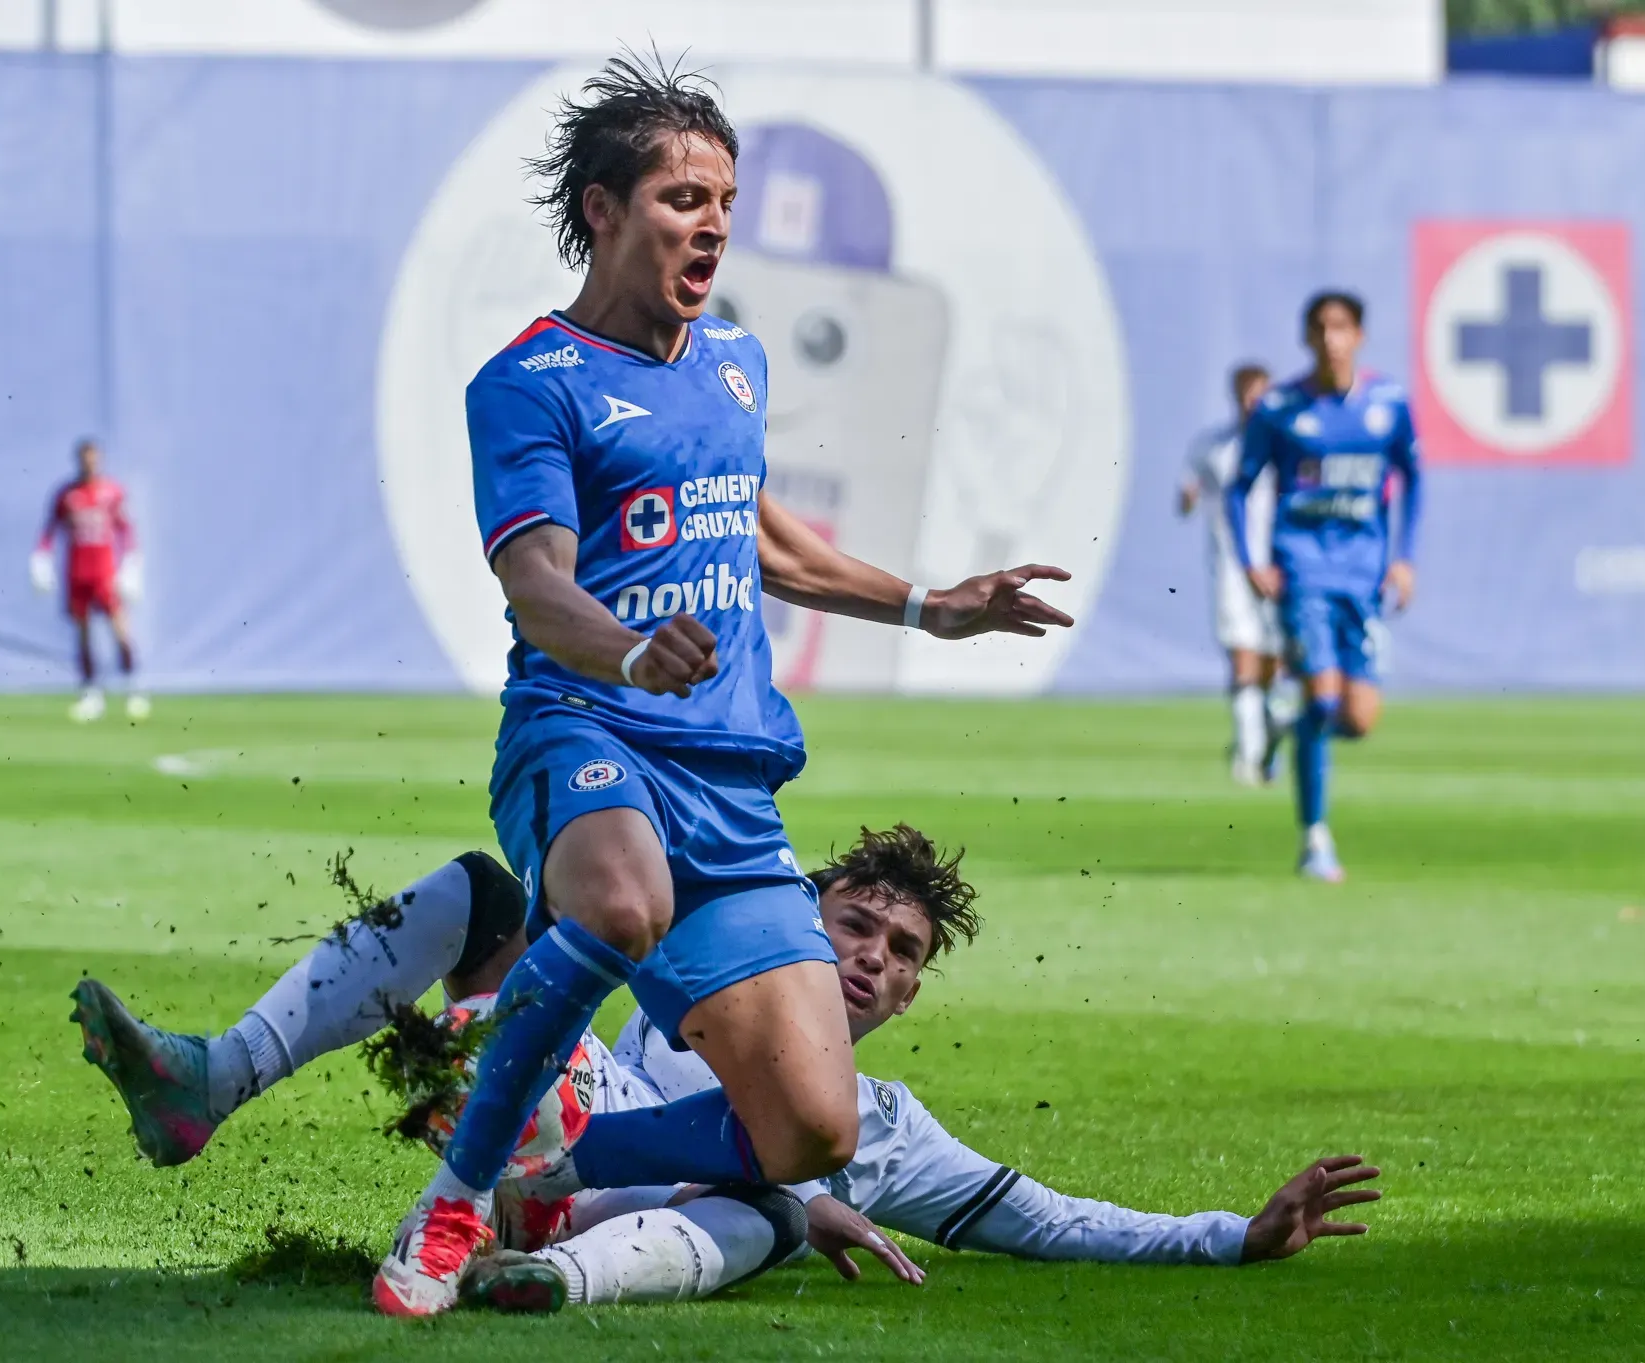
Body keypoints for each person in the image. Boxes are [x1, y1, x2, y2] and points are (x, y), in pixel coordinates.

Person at [363, 53, 1076, 1318]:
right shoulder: (527, 383)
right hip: (584, 726)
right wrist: (630, 655)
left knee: (809, 1130)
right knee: (620, 900)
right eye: (683, 199)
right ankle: (455, 1197)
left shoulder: (734, 365)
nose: (711, 225)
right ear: (602, 209)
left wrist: (931, 605)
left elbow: (759, 536)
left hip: (728, 780)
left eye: (724, 202)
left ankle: (550, 1165)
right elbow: (536, 582)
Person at [67, 826, 1380, 1313]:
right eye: (853, 923)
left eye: (899, 951)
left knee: (775, 1212)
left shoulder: (884, 1126)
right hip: (522, 1115)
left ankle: (545, 1280)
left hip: (582, 1222)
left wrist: (1231, 1237)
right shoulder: (691, 968)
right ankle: (213, 1077)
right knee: (484, 892)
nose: (868, 956)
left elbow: (1049, 1220)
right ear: (803, 916)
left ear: (912, 991)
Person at [1228, 292, 1421, 882]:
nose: (1331, 338)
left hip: (1363, 577)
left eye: (1341, 327)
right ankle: (1315, 838)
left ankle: (1289, 724)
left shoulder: (1387, 404)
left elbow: (1413, 475)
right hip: (1304, 571)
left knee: (1357, 720)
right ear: (1307, 338)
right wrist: (1252, 562)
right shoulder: (1280, 408)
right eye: (1321, 328)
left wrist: (1404, 558)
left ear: (1359, 335)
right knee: (1326, 697)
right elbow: (1239, 487)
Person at [1178, 363, 1297, 786]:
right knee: (1242, 654)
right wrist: (1189, 497)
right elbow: (1186, 497)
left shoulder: (1287, 445)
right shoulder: (1215, 448)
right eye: (1247, 394)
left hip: (1279, 565)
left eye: (1260, 394)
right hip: (1231, 566)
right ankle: (1250, 754)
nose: (1253, 403)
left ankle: (1268, 730)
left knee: (1275, 660)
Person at [32, 438, 147, 723]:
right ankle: (91, 694)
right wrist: (41, 559)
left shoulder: (111, 492)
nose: (90, 464)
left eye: (94, 459)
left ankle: (133, 688)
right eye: (86, 459)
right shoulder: (67, 495)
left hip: (104, 573)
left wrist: (131, 565)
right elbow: (49, 531)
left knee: (120, 631)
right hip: (78, 573)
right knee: (83, 636)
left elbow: (127, 530)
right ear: (79, 460)